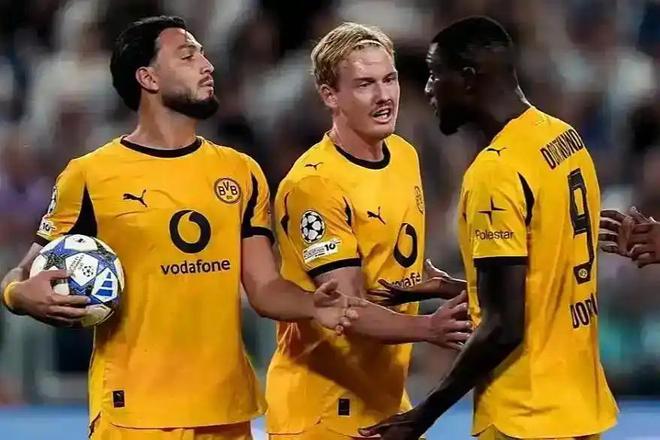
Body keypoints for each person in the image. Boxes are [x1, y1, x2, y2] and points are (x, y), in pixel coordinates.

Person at [0, 16, 363, 440]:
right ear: (148, 78)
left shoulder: (241, 171)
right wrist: (18, 295)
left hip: (226, 411)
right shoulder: (90, 175)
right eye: (188, 56)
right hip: (134, 414)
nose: (207, 65)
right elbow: (23, 272)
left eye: (204, 55)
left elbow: (263, 288)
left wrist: (312, 305)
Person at [361, 16, 618, 440]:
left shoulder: (495, 172)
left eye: (435, 74)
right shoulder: (563, 138)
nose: (428, 89)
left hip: (525, 414)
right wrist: (453, 288)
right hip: (580, 407)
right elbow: (548, 279)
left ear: (468, 78)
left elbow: (505, 327)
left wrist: (421, 416)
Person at [265, 22, 472, 440]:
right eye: (364, 84)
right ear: (330, 95)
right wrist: (429, 328)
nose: (384, 96)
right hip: (322, 410)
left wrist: (436, 286)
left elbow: (385, 267)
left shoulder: (404, 155)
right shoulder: (315, 184)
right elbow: (347, 307)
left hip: (384, 398)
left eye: (389, 79)